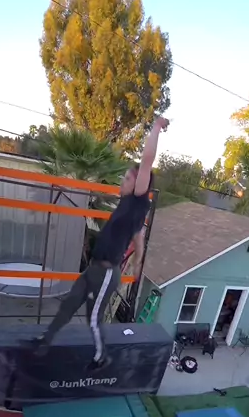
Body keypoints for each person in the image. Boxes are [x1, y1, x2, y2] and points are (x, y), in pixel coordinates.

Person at [35, 116, 170, 370]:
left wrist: (155, 128)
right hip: (93, 269)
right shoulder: (128, 207)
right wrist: (138, 262)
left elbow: (147, 162)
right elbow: (138, 237)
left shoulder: (138, 201)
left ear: (140, 185)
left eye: (127, 179)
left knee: (93, 318)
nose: (122, 181)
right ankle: (45, 341)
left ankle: (101, 356)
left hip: (107, 272)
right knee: (69, 304)